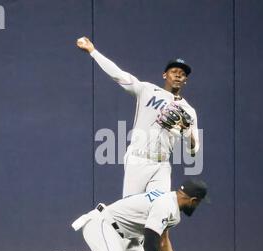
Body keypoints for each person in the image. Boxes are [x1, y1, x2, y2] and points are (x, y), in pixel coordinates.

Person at [76, 37, 200, 198]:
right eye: (174, 72)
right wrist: (93, 51)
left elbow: (194, 150)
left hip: (162, 164)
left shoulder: (188, 110)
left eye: (182, 74)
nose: (178, 76)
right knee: (131, 211)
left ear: (185, 81)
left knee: (159, 208)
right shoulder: (147, 90)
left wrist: (187, 134)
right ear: (165, 75)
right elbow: (119, 75)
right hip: (138, 159)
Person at [41, 179, 208, 251]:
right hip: (104, 225)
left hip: (126, 236)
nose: (197, 206)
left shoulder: (170, 202)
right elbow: (150, 243)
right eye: (198, 202)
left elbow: (163, 242)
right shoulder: (166, 205)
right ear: (193, 200)